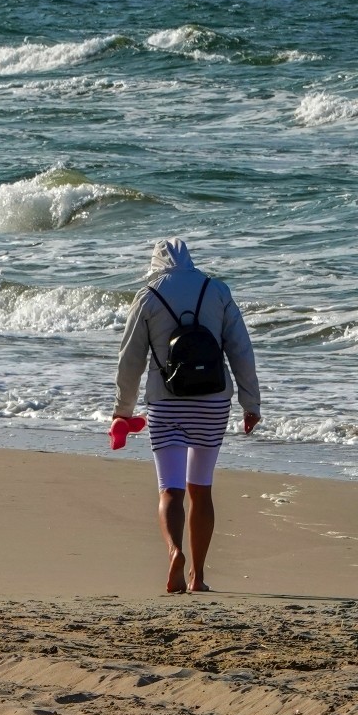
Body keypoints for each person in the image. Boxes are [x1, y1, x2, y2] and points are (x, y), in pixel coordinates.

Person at [112, 238, 260, 594]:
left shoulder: (147, 295)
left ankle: (174, 552)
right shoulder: (217, 290)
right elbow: (241, 348)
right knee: (202, 489)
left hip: (166, 401)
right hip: (212, 401)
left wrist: (123, 412)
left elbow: (130, 359)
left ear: (156, 262)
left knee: (170, 491)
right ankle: (198, 576)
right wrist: (250, 403)